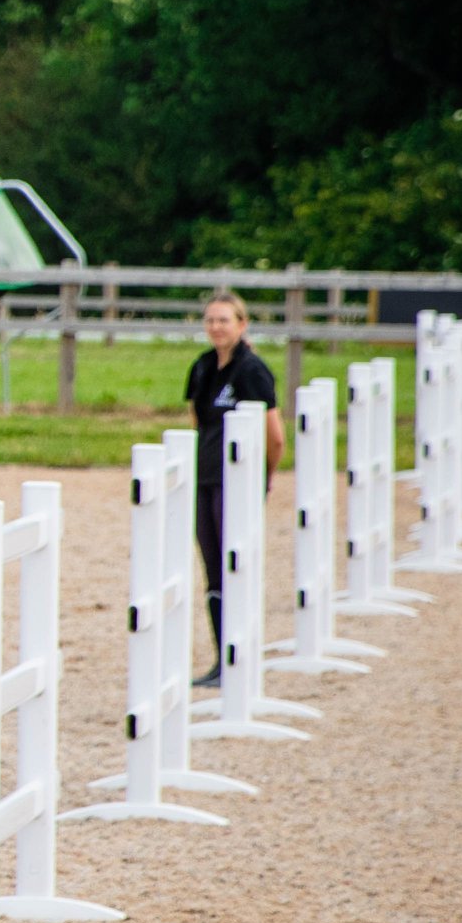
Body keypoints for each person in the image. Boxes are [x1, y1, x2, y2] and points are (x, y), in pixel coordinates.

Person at [187, 288, 284, 687]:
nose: (216, 327)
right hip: (206, 477)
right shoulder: (202, 367)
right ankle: (220, 657)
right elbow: (198, 420)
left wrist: (263, 478)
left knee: (235, 566)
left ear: (241, 324)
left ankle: (241, 652)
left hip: (236, 482)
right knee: (212, 568)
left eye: (224, 319)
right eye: (211, 319)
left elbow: (274, 435)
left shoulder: (252, 370)